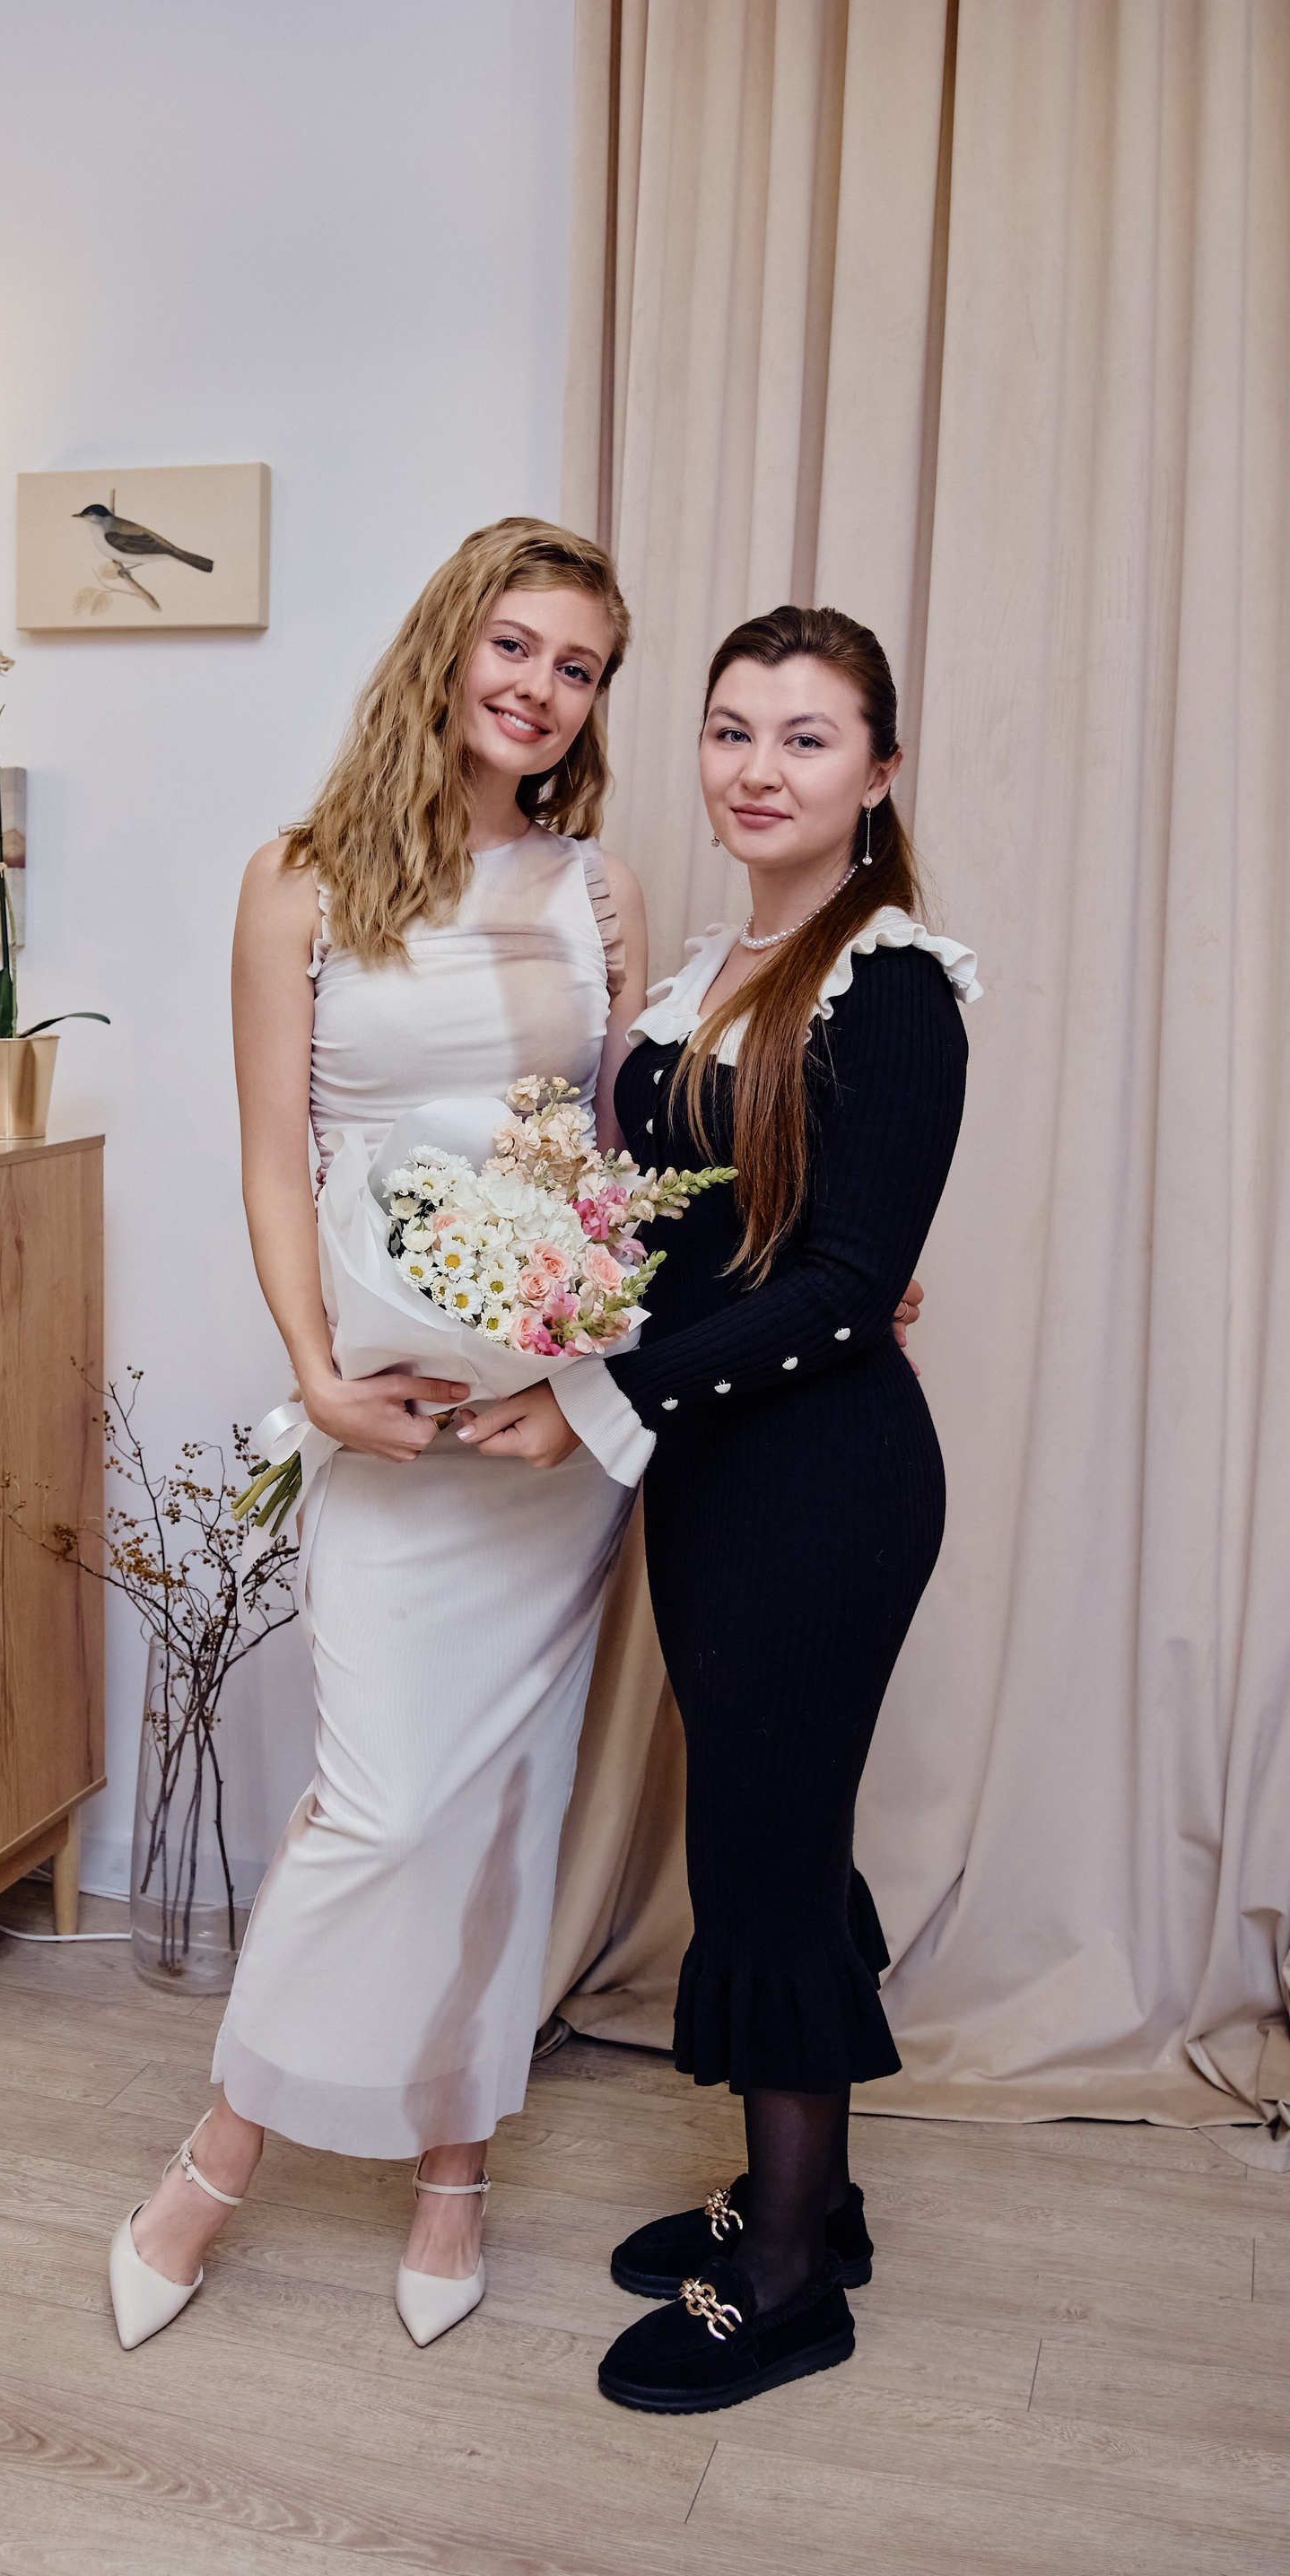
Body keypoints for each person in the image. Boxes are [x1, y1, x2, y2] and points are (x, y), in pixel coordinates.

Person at [108, 516, 651, 2352]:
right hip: (385, 1420)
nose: (541, 689)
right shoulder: (299, 879)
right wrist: (318, 1373)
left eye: (578, 668)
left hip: (541, 1439)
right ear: (450, 642)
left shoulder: (598, 888)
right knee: (383, 1800)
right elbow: (276, 1161)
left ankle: (453, 2165)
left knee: (500, 1804)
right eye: (519, 646)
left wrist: (585, 1385)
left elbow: (621, 1158)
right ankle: (222, 2151)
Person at [458, 605, 978, 2412]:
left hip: (826, 1488)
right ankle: (808, 2198)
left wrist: (590, 1397)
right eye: (732, 730)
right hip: (723, 1472)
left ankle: (787, 2279)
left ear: (880, 773)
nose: (760, 770)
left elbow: (841, 1289)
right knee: (773, 1831)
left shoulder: (894, 985)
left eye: (807, 738)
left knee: (762, 1848)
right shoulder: (717, 973)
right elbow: (703, 1243)